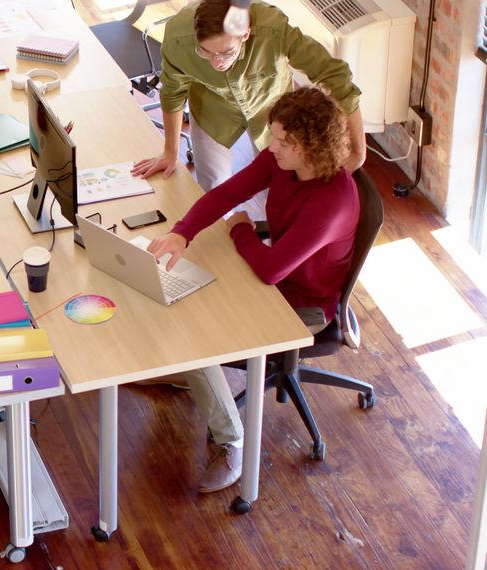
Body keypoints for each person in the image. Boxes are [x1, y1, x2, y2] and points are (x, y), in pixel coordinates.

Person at [146, 87, 360, 493]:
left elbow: (271, 270)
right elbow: (228, 193)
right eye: (274, 136)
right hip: (274, 271)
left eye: (283, 141)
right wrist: (181, 233)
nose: (271, 147)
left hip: (301, 305)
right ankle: (193, 375)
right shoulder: (283, 162)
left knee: (195, 328)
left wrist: (241, 229)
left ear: (311, 147)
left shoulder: (331, 204)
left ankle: (232, 443)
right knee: (181, 285)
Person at [130, 0, 366, 194]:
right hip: (213, 108)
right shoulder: (177, 39)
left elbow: (336, 77)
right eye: (206, 52)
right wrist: (170, 151)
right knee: (211, 187)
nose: (216, 62)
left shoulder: (273, 30)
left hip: (270, 106)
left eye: (225, 52)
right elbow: (172, 92)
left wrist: (358, 153)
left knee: (279, 188)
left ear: (245, 34)